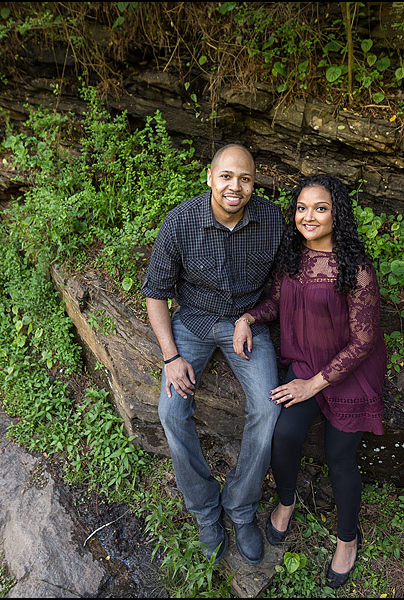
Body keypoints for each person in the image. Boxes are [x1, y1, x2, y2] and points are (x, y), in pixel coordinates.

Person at [231, 173, 387, 588]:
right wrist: (246, 318)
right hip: (305, 361)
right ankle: (287, 499)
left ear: (338, 214)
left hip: (349, 371)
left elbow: (365, 341)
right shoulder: (292, 258)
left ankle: (347, 539)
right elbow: (275, 304)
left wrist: (311, 386)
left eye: (320, 208)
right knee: (283, 434)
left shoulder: (356, 268)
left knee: (339, 456)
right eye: (301, 208)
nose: (308, 216)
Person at [141, 143, 285, 565]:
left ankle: (240, 509)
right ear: (210, 177)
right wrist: (170, 356)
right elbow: (155, 293)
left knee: (267, 407)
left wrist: (253, 317)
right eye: (226, 176)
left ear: (253, 183)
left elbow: (279, 288)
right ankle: (206, 510)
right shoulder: (181, 221)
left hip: (246, 323)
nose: (234, 187)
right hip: (194, 321)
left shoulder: (272, 220)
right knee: (170, 412)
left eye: (244, 178)